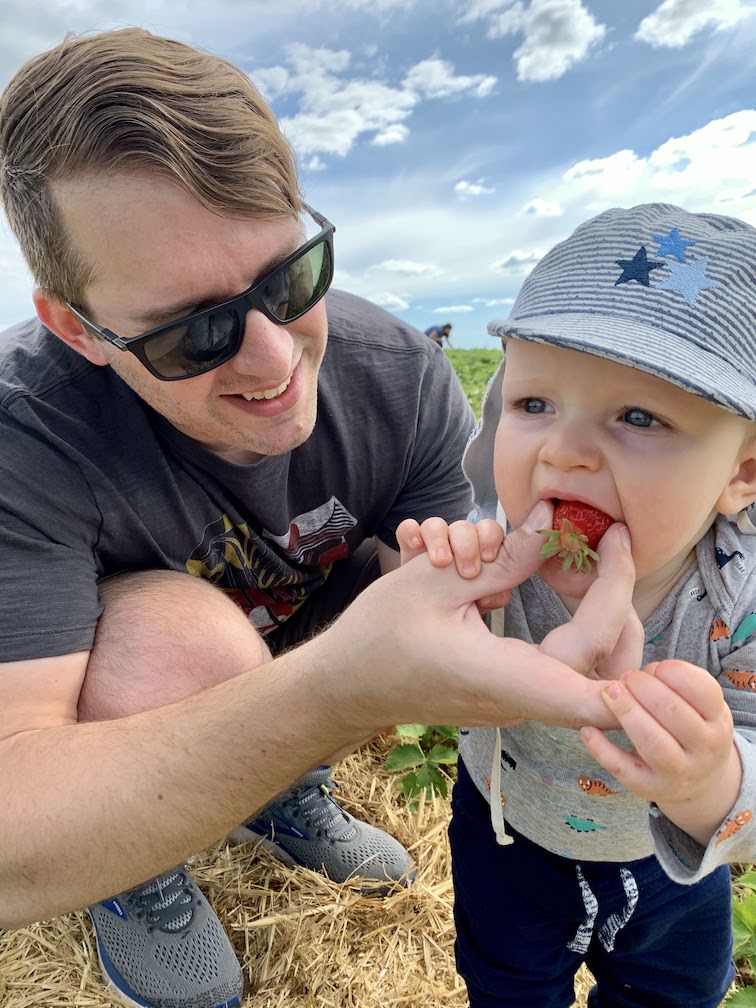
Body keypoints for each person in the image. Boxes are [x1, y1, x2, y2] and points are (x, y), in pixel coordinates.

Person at [0, 26, 639, 1008]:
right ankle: (132, 869)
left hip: (299, 635)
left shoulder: (399, 376)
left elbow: (441, 580)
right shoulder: (24, 432)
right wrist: (333, 692)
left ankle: (284, 800)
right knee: (187, 642)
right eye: (194, 332)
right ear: (78, 329)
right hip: (151, 658)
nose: (274, 360)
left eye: (290, 278)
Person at [398, 202, 756, 1008]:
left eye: (638, 416)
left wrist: (709, 783)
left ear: (744, 474)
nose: (563, 450)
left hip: (670, 867)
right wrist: (435, 589)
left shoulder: (740, 602)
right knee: (506, 986)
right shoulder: (494, 558)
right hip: (507, 840)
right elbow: (412, 672)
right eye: (534, 405)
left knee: (673, 995)